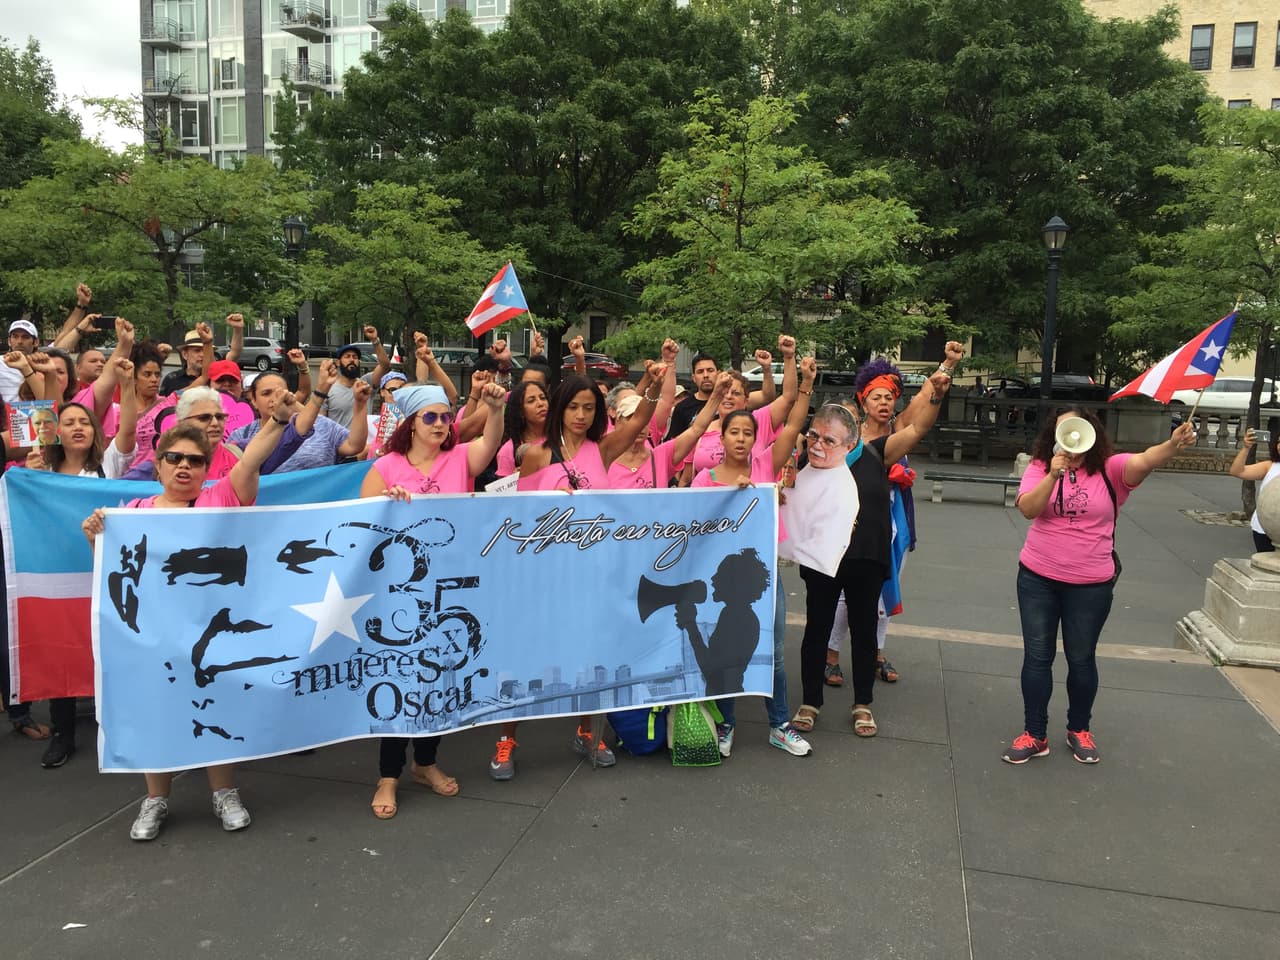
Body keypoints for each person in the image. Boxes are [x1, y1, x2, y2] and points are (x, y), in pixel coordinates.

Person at [81, 404, 297, 840]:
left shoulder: (220, 499)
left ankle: (224, 792)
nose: (184, 467)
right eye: (175, 458)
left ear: (206, 468)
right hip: (153, 637)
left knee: (216, 707)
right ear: (158, 464)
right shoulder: (133, 511)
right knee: (154, 713)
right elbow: (115, 578)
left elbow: (252, 459)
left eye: (195, 461)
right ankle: (156, 799)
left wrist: (277, 421)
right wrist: (96, 540)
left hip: (210, 635)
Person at [489, 364, 667, 780]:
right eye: (574, 407)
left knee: (592, 655)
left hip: (594, 574)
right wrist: (550, 500)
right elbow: (517, 520)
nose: (582, 415)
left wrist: (656, 384)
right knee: (526, 656)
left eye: (590, 408)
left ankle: (588, 731)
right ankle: (507, 738)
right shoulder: (536, 455)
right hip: (546, 576)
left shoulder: (602, 449)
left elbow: (642, 418)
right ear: (559, 409)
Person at [1002, 411, 1197, 765]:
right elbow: (1029, 509)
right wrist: (1052, 474)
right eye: (1063, 428)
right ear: (1053, 433)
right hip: (1037, 578)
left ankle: (1079, 729)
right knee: (1037, 657)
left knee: (1081, 658)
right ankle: (1035, 733)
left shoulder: (1111, 469)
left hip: (1090, 584)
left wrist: (1172, 443)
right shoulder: (1039, 467)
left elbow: (1147, 459)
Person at [360, 381, 506, 818]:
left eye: (446, 416)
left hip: (451, 592)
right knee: (402, 677)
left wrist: (495, 409)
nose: (441, 424)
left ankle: (425, 763)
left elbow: (490, 443)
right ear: (410, 422)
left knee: (440, 675)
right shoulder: (385, 467)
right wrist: (386, 504)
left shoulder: (460, 458)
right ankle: (388, 775)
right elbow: (361, 524)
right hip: (401, 598)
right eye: (431, 417)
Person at [796, 356, 955, 740]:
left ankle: (862, 702)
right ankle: (810, 702)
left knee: (866, 628)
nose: (837, 430)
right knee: (816, 628)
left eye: (845, 423)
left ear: (855, 428)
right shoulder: (813, 457)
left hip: (866, 553)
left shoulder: (878, 451)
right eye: (829, 426)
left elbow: (917, 428)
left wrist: (936, 394)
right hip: (822, 555)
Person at [687, 356, 819, 758]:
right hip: (721, 584)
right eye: (734, 433)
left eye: (748, 432)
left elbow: (794, 423)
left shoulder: (765, 466)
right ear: (720, 439)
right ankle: (726, 723)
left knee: (774, 653)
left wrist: (805, 380)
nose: (742, 439)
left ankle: (779, 724)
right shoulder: (703, 480)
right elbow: (691, 529)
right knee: (727, 655)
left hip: (763, 576)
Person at [19, 359, 140, 768]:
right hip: (59, 579)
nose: (76, 428)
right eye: (67, 421)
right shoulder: (42, 469)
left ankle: (123, 728)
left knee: (110, 650)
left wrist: (126, 383)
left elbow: (127, 432)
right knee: (62, 650)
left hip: (102, 574)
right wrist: (31, 474)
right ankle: (63, 734)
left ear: (94, 432)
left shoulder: (107, 468)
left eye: (84, 423)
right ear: (56, 430)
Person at [824, 349, 962, 688]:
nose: (884, 403)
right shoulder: (852, 434)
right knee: (844, 594)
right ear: (863, 401)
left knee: (887, 590)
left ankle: (876, 653)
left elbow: (926, 403)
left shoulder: (901, 427)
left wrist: (947, 367)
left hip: (893, 521)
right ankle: (831, 656)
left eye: (889, 397)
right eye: (876, 397)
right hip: (852, 522)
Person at [230, 360, 369, 472]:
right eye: (266, 393)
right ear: (253, 401)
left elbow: (354, 445)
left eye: (280, 392)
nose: (275, 398)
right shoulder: (241, 436)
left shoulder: (319, 424)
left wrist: (360, 404)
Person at [606, 372, 731, 489]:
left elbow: (696, 429)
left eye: (644, 419)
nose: (639, 425)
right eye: (631, 418)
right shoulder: (603, 458)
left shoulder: (661, 457)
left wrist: (717, 395)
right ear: (617, 422)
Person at [319, 327, 389, 428]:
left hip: (364, 443)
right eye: (347, 356)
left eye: (355, 357)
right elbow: (321, 424)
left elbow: (385, 366)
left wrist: (375, 340)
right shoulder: (328, 389)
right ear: (338, 362)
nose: (352, 360)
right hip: (340, 443)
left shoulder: (366, 384)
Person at [1230, 427, 1280, 552]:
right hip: (1264, 528)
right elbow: (1237, 471)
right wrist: (1246, 447)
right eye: (1279, 442)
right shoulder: (1270, 466)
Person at [496, 379, 549, 477]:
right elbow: (504, 490)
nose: (540, 404)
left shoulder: (562, 438)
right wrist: (516, 478)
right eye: (531, 401)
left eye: (543, 398)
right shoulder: (508, 451)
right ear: (520, 411)